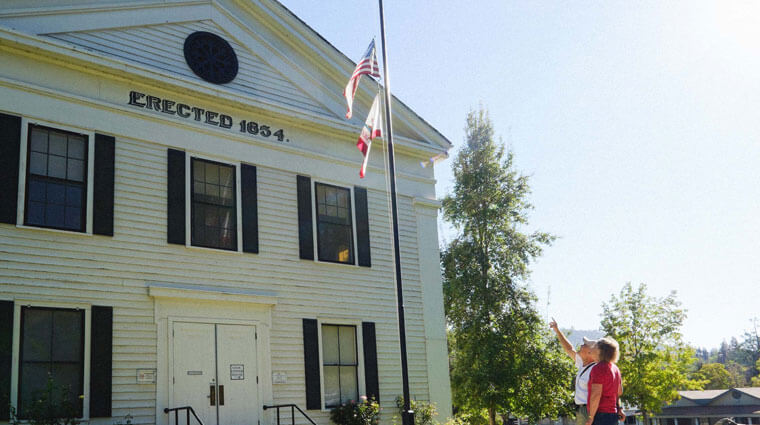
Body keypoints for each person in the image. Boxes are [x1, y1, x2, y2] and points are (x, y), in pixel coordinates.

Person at [549, 319, 599, 425]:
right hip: (581, 410)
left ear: (590, 352)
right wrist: (557, 330)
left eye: (585, 344)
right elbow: (569, 349)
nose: (581, 345)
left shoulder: (595, 369)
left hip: (588, 410)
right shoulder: (582, 363)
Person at [586, 337, 624, 425]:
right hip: (613, 414)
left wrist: (591, 417)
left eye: (595, 346)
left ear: (600, 351)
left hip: (600, 415)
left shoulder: (598, 368)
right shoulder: (615, 368)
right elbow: (619, 392)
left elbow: (596, 394)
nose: (592, 348)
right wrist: (619, 409)